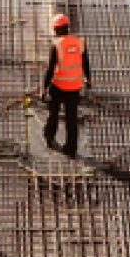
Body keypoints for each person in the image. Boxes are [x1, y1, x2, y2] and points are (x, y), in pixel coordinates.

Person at [42, 13, 91, 159]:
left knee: (54, 114)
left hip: (58, 86)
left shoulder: (56, 45)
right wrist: (89, 80)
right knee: (71, 119)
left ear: (56, 29)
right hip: (75, 87)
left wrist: (44, 88)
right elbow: (85, 63)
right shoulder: (80, 42)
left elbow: (50, 69)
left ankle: (49, 137)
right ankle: (71, 148)